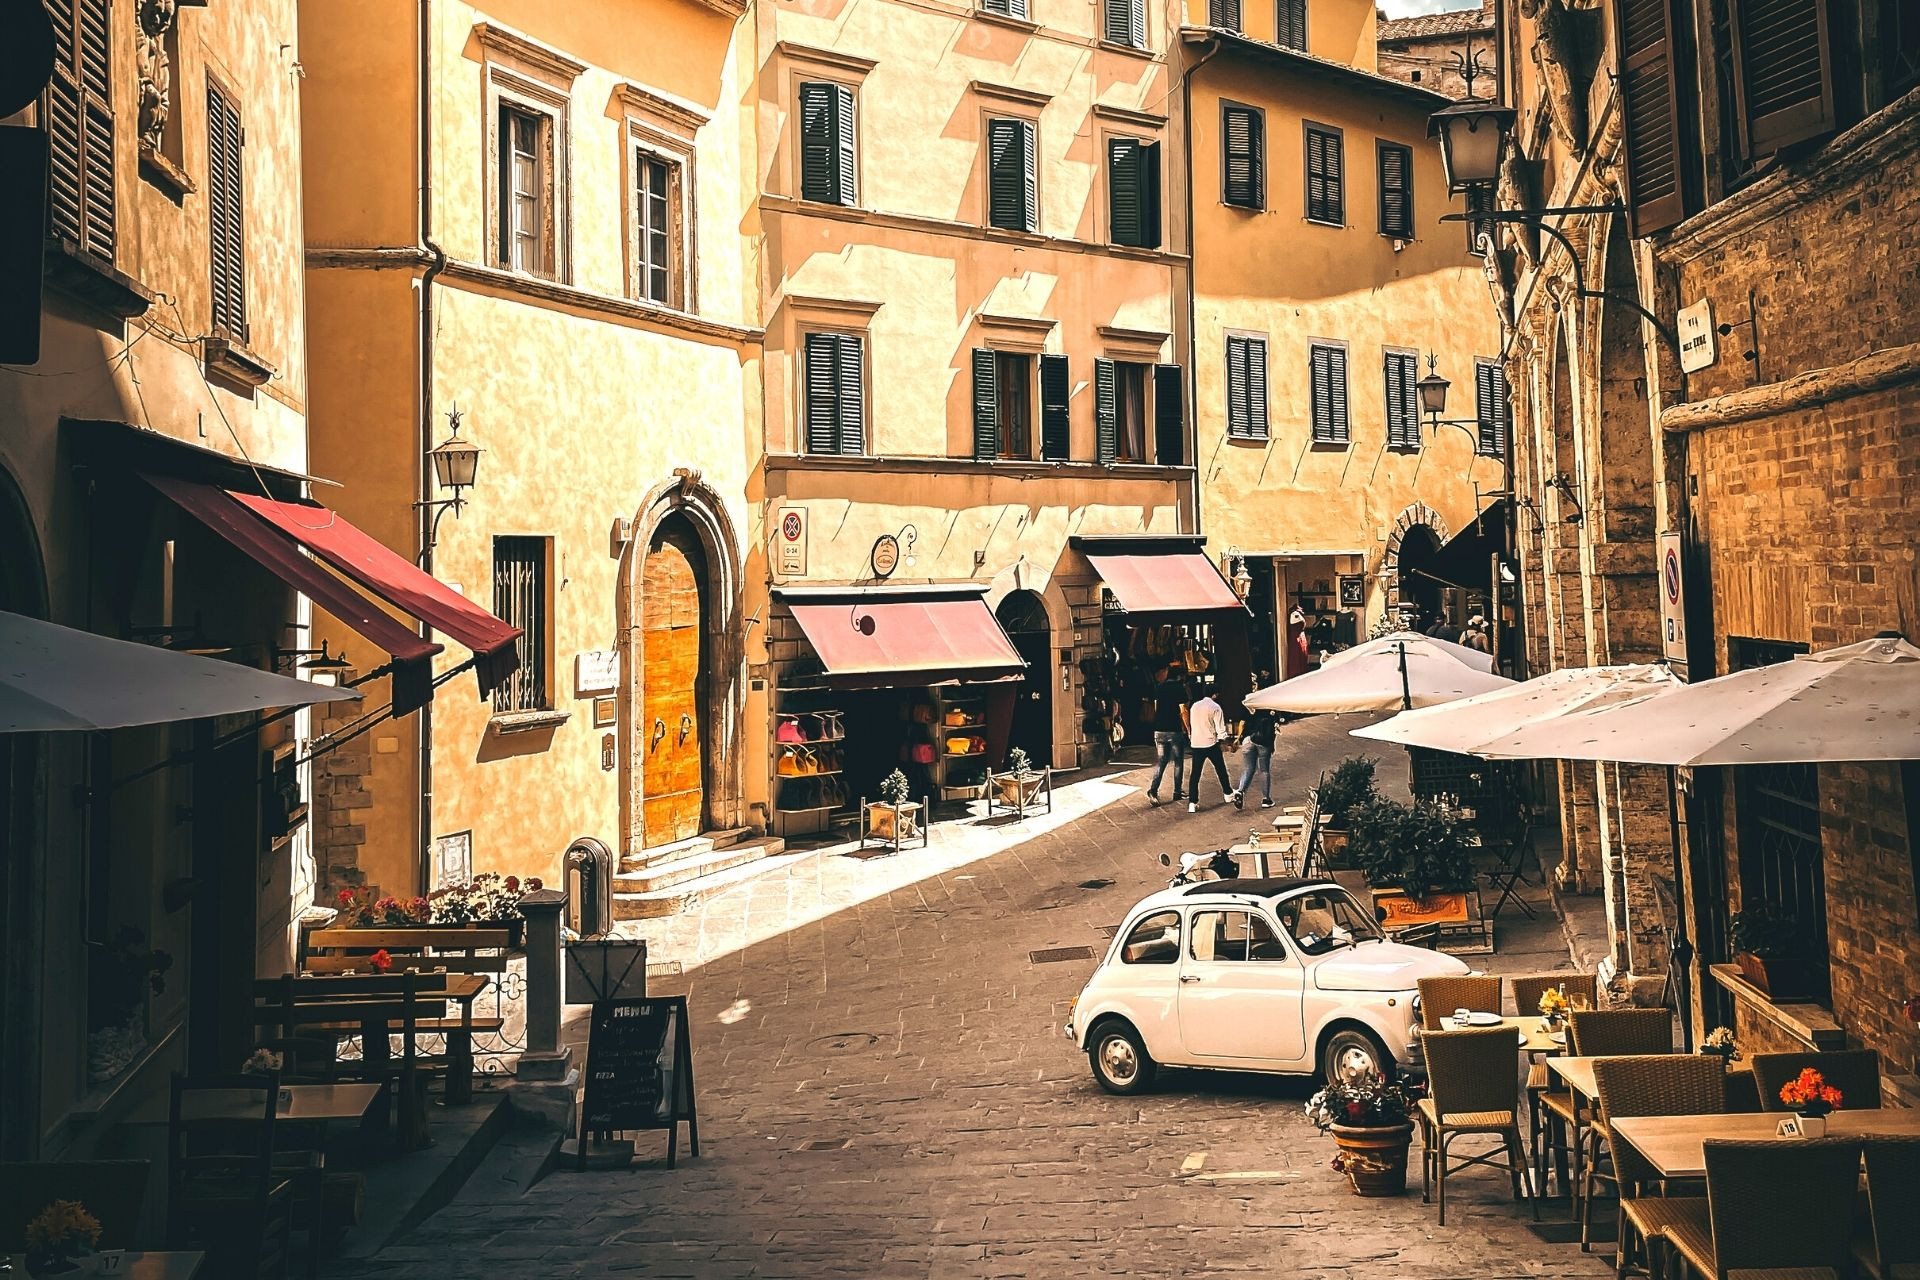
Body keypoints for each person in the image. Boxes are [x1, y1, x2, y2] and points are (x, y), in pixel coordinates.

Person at [1185, 685, 1239, 813]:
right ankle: (1228, 793)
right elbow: (1220, 728)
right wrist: (1225, 741)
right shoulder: (1215, 707)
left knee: (1195, 774)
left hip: (1196, 743)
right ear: (1214, 695)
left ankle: (1192, 802)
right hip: (1210, 742)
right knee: (1220, 769)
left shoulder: (1194, 706)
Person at [1145, 666, 1188, 806]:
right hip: (1174, 729)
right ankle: (1177, 792)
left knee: (1162, 762)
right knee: (1178, 762)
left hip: (1159, 730)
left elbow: (1156, 707)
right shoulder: (1180, 688)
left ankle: (1153, 790)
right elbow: (1183, 710)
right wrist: (1188, 728)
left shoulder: (1159, 687)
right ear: (1179, 676)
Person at [1234, 706, 1278, 809]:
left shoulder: (1249, 703)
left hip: (1248, 740)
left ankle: (1240, 791)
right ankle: (1266, 799)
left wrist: (1238, 737)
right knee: (1264, 770)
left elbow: (1242, 722)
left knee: (1248, 768)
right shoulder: (1269, 706)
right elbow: (1273, 728)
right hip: (1264, 742)